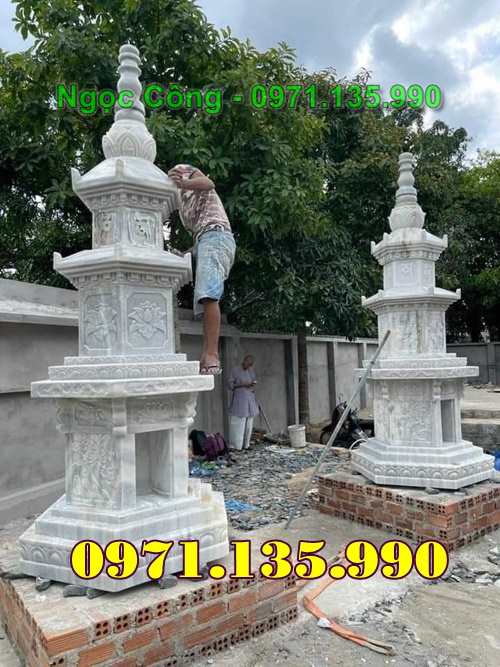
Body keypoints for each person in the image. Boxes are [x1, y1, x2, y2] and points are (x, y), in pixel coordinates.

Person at [167, 163, 236, 375]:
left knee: (208, 295)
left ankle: (212, 355)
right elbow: (199, 236)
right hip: (205, 240)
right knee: (204, 300)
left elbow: (208, 182)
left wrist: (183, 181)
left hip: (216, 234)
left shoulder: (184, 173)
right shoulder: (180, 203)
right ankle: (206, 356)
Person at [227, 355, 259, 451]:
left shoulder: (251, 371)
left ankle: (246, 445)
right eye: (248, 364)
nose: (248, 366)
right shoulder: (235, 370)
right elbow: (230, 385)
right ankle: (235, 446)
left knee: (249, 425)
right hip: (240, 400)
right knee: (238, 424)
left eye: (250, 365)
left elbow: (253, 381)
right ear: (244, 361)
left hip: (250, 399)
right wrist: (242, 384)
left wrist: (252, 384)